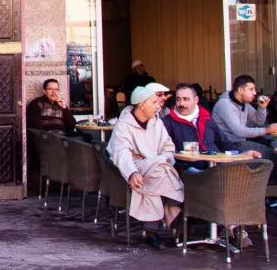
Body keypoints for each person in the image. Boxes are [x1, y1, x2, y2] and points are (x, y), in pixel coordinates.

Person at [108, 84, 184, 250]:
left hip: (158, 166)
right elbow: (121, 152)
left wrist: (160, 160)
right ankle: (174, 206)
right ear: (142, 104)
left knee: (158, 171)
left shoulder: (156, 122)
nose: (159, 105)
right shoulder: (124, 125)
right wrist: (132, 173)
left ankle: (152, 231)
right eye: (155, 102)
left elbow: (168, 147)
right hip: (134, 167)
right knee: (159, 171)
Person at [161, 83, 261, 169]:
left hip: (216, 168)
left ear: (196, 100)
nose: (181, 103)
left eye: (186, 99)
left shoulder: (206, 118)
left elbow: (224, 143)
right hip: (190, 172)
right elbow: (165, 152)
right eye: (178, 99)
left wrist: (241, 155)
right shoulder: (167, 122)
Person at [211, 74, 277, 164]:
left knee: (272, 147)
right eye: (251, 89)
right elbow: (239, 131)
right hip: (228, 146)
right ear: (240, 90)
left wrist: (262, 108)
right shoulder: (225, 104)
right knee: (271, 155)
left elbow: (259, 121)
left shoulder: (243, 103)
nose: (254, 93)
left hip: (240, 142)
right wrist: (266, 130)